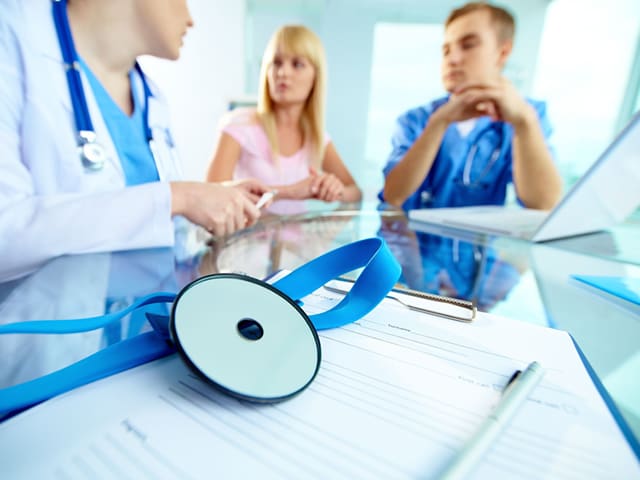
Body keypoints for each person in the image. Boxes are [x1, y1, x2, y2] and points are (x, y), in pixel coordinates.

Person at [0, 0, 271, 281]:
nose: (190, 19)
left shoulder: (150, 97)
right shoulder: (12, 39)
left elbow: (147, 225)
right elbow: (5, 235)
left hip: (147, 318)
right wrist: (180, 197)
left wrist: (207, 202)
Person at [379, 2, 562, 212]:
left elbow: (544, 203)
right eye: (446, 50)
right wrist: (439, 122)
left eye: (468, 45)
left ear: (503, 52)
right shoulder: (416, 120)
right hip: (410, 243)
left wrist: (524, 123)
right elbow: (393, 195)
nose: (452, 59)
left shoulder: (529, 116)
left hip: (479, 245)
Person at [206, 25, 361, 212]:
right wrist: (291, 192)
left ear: (315, 77)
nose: (283, 73)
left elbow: (355, 192)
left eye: (297, 64)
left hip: (300, 242)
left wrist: (333, 189)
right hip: (248, 240)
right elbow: (211, 195)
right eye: (276, 63)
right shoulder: (239, 124)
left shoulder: (316, 138)